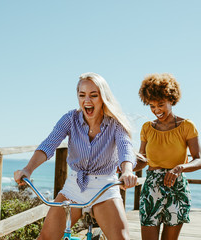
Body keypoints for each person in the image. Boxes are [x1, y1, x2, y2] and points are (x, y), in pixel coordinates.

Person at [14, 72, 138, 240]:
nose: (87, 100)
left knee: (121, 239)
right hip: (74, 186)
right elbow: (48, 144)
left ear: (103, 97)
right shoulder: (70, 118)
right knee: (45, 238)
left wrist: (127, 171)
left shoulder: (116, 123)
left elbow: (125, 148)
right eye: (82, 95)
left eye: (93, 95)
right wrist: (28, 169)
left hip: (104, 188)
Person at [134, 73, 201, 240]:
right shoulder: (147, 128)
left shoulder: (187, 126)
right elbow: (142, 160)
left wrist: (180, 168)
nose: (157, 110)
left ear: (171, 100)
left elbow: (199, 160)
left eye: (161, 104)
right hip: (151, 188)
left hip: (177, 188)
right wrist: (122, 169)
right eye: (151, 106)